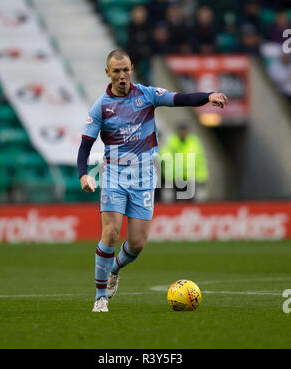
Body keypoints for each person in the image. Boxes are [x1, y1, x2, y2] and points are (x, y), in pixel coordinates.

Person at [77, 50, 228, 312]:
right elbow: (84, 146)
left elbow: (179, 98)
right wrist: (83, 174)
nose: (122, 75)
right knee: (111, 233)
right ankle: (100, 297)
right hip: (114, 175)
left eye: (126, 70)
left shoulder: (146, 95)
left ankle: (114, 269)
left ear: (132, 69)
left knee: (136, 244)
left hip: (145, 177)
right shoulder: (100, 106)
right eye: (116, 71)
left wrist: (207, 96)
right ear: (108, 73)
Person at [159, 123, 209, 202]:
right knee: (176, 201)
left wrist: (201, 177)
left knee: (190, 201)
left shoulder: (194, 142)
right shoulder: (172, 141)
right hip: (176, 177)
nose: (183, 134)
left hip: (190, 177)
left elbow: (200, 160)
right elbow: (165, 157)